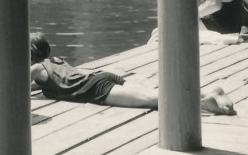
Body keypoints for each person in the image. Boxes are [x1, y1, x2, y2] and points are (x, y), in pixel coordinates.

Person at [29, 32, 234, 115]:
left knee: (155, 100)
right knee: (154, 95)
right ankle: (205, 94)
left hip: (96, 89)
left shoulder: (37, 69)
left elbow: (17, 87)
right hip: (102, 78)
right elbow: (46, 84)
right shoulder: (56, 61)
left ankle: (206, 98)